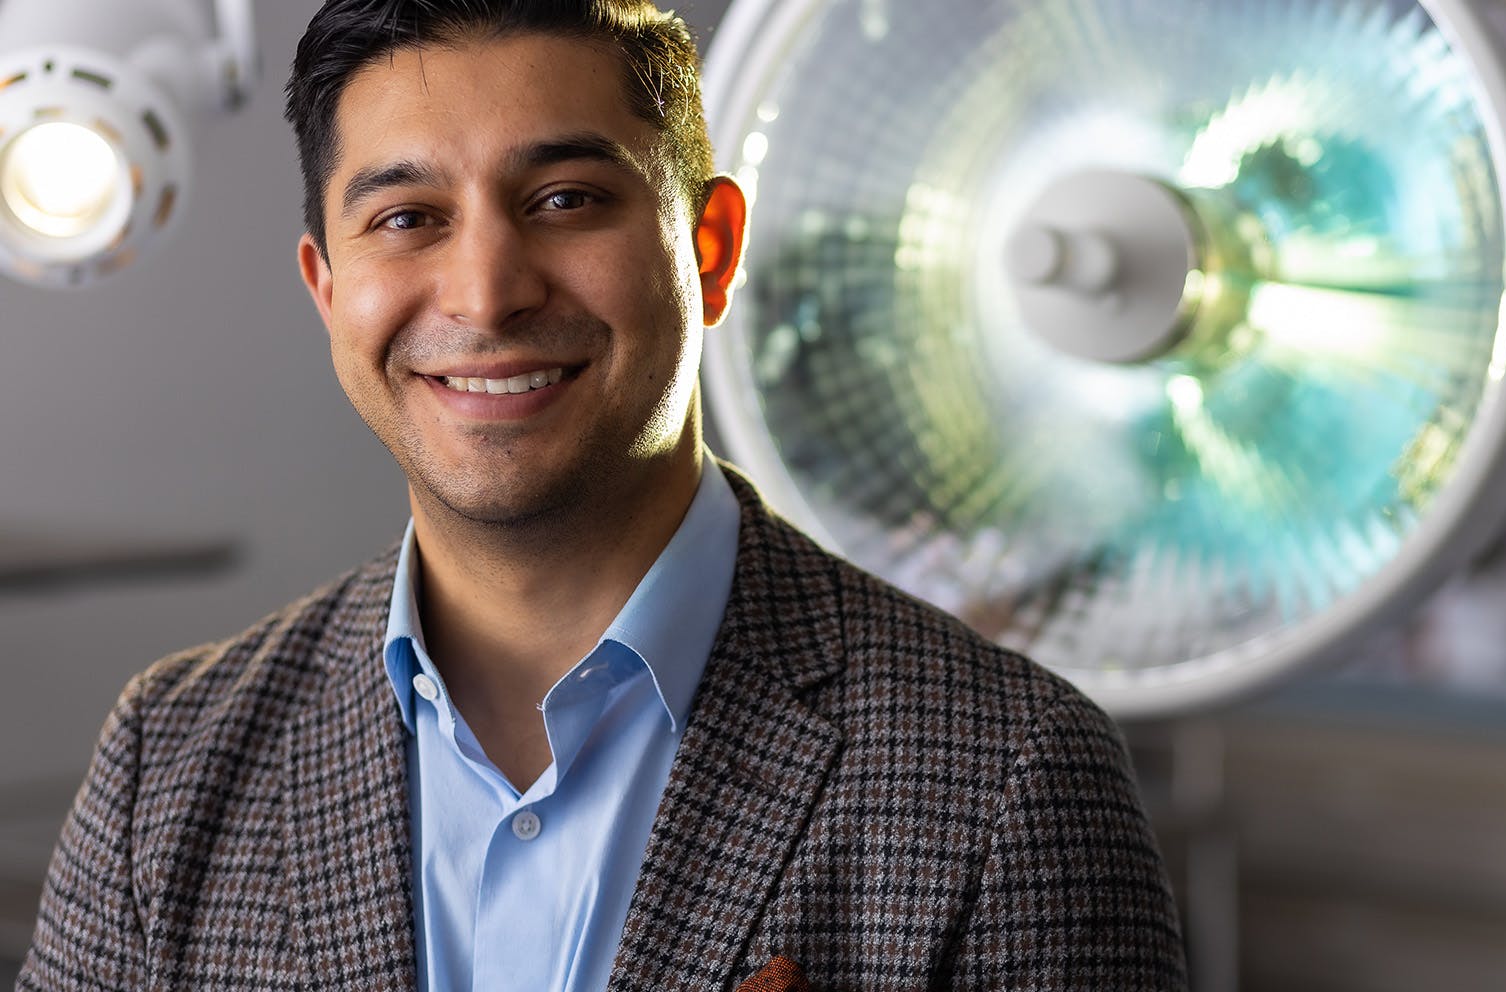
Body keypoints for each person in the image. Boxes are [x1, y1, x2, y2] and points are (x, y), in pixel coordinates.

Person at [19, 1, 1185, 989]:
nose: (486, 291)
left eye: (568, 198)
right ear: (328, 291)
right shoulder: (165, 763)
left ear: (711, 247)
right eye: (407, 218)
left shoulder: (1007, 775)